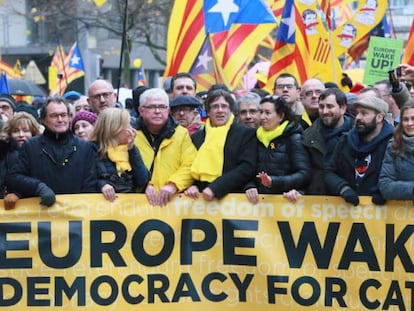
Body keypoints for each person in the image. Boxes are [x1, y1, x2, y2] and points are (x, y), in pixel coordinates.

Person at [7, 97, 98, 207]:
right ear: (43, 120)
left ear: (69, 117)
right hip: (40, 215)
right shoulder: (30, 146)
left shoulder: (85, 147)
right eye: (54, 116)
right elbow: (14, 177)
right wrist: (38, 187)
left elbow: (90, 183)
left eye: (63, 115)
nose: (60, 119)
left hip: (77, 215)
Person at [185, 89, 257, 201]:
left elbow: (246, 168)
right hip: (201, 199)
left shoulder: (245, 133)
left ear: (231, 110)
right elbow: (190, 165)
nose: (220, 110)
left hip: (233, 199)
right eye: (215, 106)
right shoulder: (197, 137)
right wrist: (193, 186)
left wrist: (215, 188)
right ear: (208, 111)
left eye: (224, 106)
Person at [324, 97, 393, 206]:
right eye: (357, 113)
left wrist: (385, 191)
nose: (358, 117)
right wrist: (343, 188)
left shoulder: (393, 143)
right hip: (348, 212)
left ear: (379, 117)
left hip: (385, 214)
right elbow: (328, 172)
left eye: (364, 113)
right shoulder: (346, 141)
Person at [134, 88, 196, 206]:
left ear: (168, 110)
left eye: (162, 107)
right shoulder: (131, 134)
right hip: (138, 204)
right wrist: (144, 185)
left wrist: (173, 185)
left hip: (172, 204)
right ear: (141, 110)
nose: (157, 111)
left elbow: (190, 165)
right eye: (152, 107)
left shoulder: (181, 133)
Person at [245, 96, 310, 204]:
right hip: (258, 204)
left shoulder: (293, 138)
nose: (262, 117)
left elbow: (303, 174)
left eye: (267, 113)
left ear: (280, 116)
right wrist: (249, 186)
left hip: (285, 201)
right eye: (261, 112)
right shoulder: (254, 137)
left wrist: (273, 182)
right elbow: (246, 169)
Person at [302, 88, 354, 195]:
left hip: (352, 198)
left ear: (343, 108)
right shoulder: (308, 136)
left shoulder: (358, 134)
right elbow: (305, 172)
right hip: (318, 202)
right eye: (321, 107)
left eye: (330, 106)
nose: (325, 111)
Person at [92, 108, 149, 202]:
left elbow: (143, 180)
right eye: (127, 125)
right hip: (101, 207)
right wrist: (102, 184)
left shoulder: (131, 149)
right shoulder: (93, 149)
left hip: (126, 207)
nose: (131, 129)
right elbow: (88, 178)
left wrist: (131, 149)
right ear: (114, 128)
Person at [0, 112, 41, 208]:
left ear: (33, 132)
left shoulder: (42, 154)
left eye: (25, 130)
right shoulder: (3, 155)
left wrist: (18, 194)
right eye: (16, 131)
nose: (21, 135)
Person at [379, 101, 414, 200]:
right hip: (403, 212)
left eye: (413, 119)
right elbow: (385, 185)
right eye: (405, 119)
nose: (409, 123)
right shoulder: (394, 146)